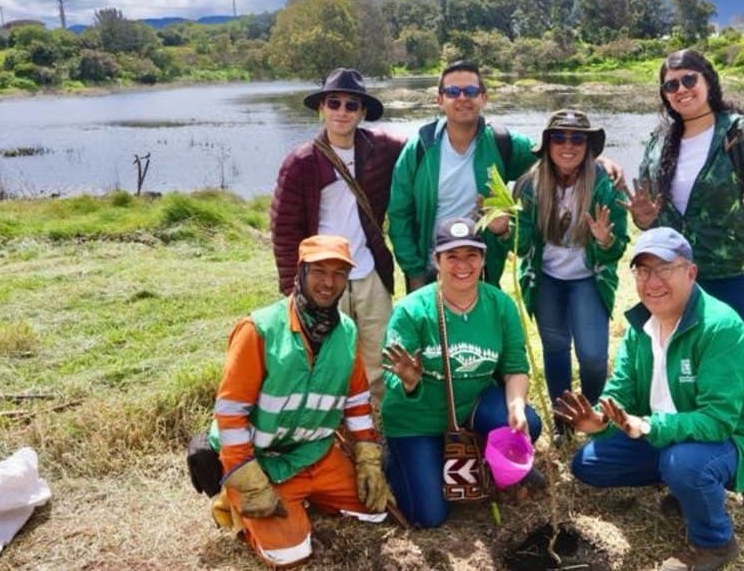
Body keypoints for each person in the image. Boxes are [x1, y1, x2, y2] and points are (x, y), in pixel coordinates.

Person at [623, 48, 744, 511]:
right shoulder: (660, 141)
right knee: (678, 367)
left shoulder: (737, 132)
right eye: (670, 85)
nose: (680, 90)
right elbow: (654, 214)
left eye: (688, 80)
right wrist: (644, 218)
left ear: (709, 82)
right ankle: (689, 470)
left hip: (728, 268)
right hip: (675, 275)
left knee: (736, 368)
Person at [556, 228, 744, 570]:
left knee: (685, 464)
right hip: (668, 431)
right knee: (589, 464)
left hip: (736, 436)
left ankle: (715, 542)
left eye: (664, 269)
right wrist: (600, 419)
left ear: (690, 273)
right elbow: (621, 388)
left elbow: (719, 420)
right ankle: (685, 484)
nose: (652, 282)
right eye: (643, 271)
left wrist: (650, 426)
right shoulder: (641, 325)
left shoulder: (720, 328)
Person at [208, 235, 394, 567]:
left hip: (315, 453)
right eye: (319, 271)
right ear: (301, 272)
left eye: (339, 274)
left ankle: (310, 497)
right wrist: (247, 477)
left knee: (377, 511)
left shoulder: (347, 332)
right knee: (289, 554)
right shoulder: (260, 329)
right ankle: (233, 500)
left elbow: (356, 402)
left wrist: (367, 457)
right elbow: (231, 414)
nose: (329, 283)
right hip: (263, 460)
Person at [388, 60, 623, 292]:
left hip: (482, 267)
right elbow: (399, 214)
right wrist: (414, 271)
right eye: (452, 92)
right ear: (439, 99)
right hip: (432, 266)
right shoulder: (420, 148)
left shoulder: (501, 142)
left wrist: (597, 159)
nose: (462, 97)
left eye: (471, 91)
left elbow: (553, 154)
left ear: (484, 98)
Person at [381, 217, 543, 527]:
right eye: (452, 256)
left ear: (483, 258)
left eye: (471, 255)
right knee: (428, 517)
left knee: (527, 425)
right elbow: (391, 373)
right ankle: (400, 459)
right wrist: (410, 381)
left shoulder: (500, 305)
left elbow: (514, 367)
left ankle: (479, 452)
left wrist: (516, 407)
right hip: (417, 419)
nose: (462, 265)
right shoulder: (411, 311)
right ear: (436, 261)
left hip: (471, 406)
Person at [270, 68, 406, 406]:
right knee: (328, 355)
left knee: (381, 354)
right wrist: (292, 287)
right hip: (324, 275)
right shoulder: (301, 162)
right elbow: (284, 231)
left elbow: (424, 149)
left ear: (362, 112)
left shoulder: (381, 149)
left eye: (351, 105)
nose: (342, 112)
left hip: (370, 272)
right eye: (334, 103)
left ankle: (379, 421)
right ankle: (332, 422)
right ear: (321, 108)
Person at [512, 109, 627, 435]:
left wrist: (605, 241)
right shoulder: (530, 185)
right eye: (559, 137)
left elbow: (619, 246)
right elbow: (522, 245)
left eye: (577, 138)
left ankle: (588, 413)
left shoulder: (605, 183)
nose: (568, 145)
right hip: (546, 278)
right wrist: (504, 230)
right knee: (555, 348)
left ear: (588, 146)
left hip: (589, 278)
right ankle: (562, 422)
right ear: (547, 144)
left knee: (593, 356)